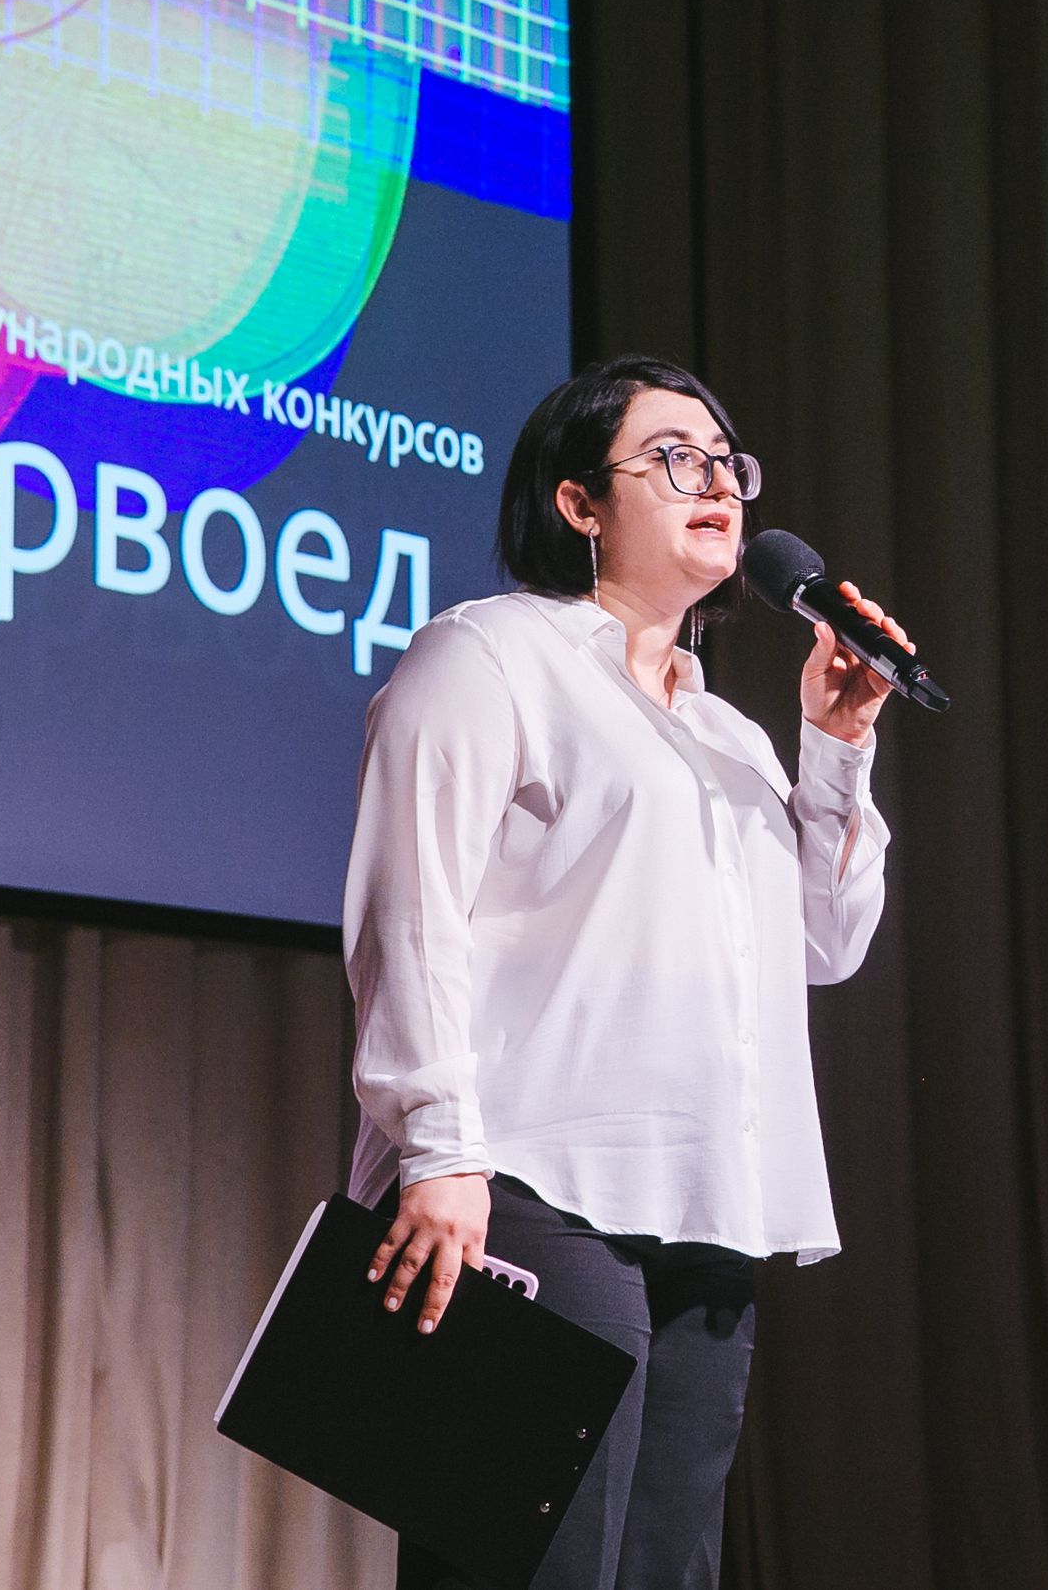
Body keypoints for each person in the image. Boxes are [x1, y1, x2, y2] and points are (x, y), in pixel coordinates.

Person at [341, 355, 909, 1589]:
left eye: (727, 462)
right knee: (525, 1554)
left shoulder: (730, 735)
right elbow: (410, 908)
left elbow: (824, 944)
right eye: (674, 458)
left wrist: (836, 746)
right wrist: (437, 1150)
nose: (719, 484)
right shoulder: (490, 654)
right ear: (579, 503)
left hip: (709, 1203)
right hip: (527, 1177)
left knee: (665, 1566)